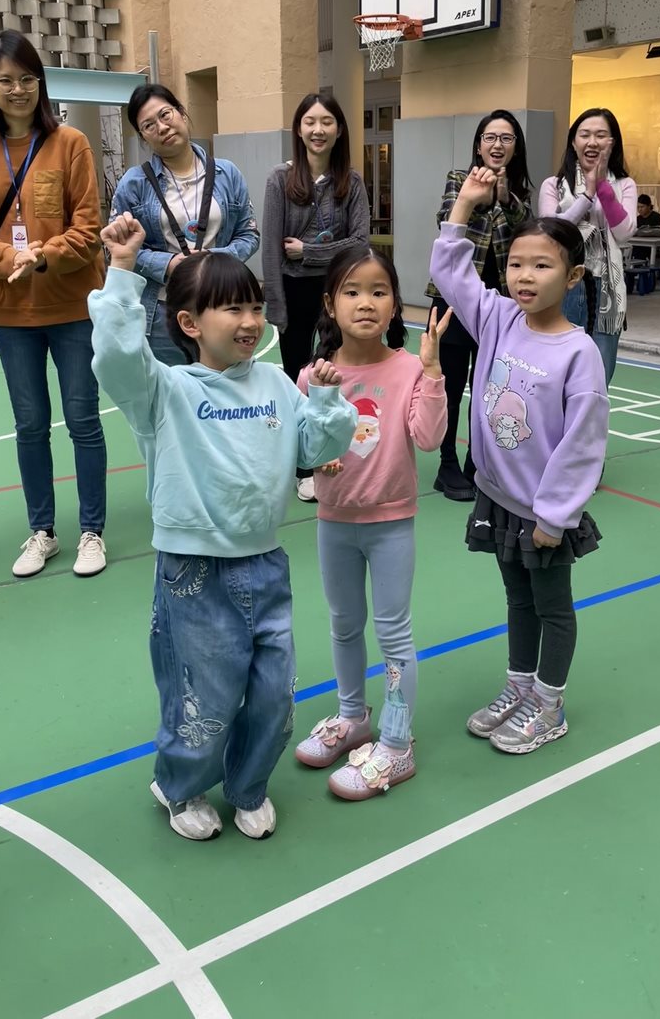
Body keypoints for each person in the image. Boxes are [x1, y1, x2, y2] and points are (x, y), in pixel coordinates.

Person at [90, 214, 356, 841]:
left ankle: (248, 785)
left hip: (264, 563)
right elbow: (117, 359)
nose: (249, 320)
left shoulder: (274, 383)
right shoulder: (165, 391)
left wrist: (324, 402)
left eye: (255, 306)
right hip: (194, 570)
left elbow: (314, 449)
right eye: (232, 308)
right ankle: (180, 787)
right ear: (189, 324)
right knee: (203, 696)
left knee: (274, 693)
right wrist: (122, 270)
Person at [430, 180, 608, 754]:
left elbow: (582, 445)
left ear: (572, 277)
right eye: (515, 264)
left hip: (543, 511)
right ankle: (520, 687)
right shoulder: (498, 319)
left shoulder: (578, 353)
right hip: (499, 498)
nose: (524, 276)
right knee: (517, 599)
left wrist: (554, 516)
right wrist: (464, 205)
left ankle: (549, 704)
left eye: (542, 266)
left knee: (552, 606)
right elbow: (451, 274)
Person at [294, 246, 449, 800]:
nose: (365, 303)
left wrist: (432, 371)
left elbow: (428, 438)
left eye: (379, 292)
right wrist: (319, 444)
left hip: (391, 523)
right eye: (352, 292)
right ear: (329, 304)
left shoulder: (408, 368)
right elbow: (304, 450)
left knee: (393, 631)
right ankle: (352, 716)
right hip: (334, 521)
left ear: (394, 305)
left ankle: (397, 742)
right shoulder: (314, 375)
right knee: (343, 623)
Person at [0, 30, 108, 579]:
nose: (17, 89)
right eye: (5, 80)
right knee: (30, 424)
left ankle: (92, 530)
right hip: (10, 313)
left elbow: (88, 228)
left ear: (40, 82)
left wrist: (43, 257)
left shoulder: (71, 143)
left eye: (27, 78)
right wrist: (8, 257)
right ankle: (43, 531)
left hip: (73, 309)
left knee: (83, 420)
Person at [261, 93, 369, 502]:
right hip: (294, 290)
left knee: (337, 373)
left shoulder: (351, 183)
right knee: (298, 377)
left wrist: (310, 251)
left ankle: (336, 453)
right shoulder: (279, 179)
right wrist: (276, 304)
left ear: (339, 130)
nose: (318, 130)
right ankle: (303, 465)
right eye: (310, 121)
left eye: (327, 122)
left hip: (338, 291)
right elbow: (272, 249)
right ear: (299, 129)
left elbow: (360, 242)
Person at [425, 110, 532, 503]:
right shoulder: (459, 179)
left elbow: (526, 231)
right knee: (451, 385)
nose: (497, 144)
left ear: (516, 147)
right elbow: (447, 220)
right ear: (478, 144)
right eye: (490, 137)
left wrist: (504, 198)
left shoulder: (519, 194)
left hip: (499, 306)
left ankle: (476, 461)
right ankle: (447, 463)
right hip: (454, 300)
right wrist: (479, 199)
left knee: (490, 388)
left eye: (506, 138)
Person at [111, 85, 259, 365]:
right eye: (148, 125)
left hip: (223, 305)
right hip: (164, 313)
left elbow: (249, 234)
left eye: (165, 115)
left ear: (180, 112)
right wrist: (167, 264)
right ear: (143, 136)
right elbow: (119, 248)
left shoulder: (227, 173)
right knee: (170, 390)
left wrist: (212, 261)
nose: (162, 127)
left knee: (226, 389)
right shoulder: (133, 184)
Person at [538, 108, 636, 385]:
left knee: (598, 379)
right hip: (563, 285)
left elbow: (624, 232)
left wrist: (603, 187)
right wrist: (588, 195)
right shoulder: (554, 185)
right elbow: (552, 232)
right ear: (573, 142)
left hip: (606, 291)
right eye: (585, 135)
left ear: (612, 143)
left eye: (601, 135)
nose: (592, 142)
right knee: (557, 373)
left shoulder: (625, 185)